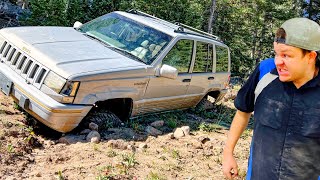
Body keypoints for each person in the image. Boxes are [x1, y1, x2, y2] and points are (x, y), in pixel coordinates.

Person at [222, 17, 320, 180]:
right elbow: (242, 112)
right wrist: (228, 152)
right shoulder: (264, 71)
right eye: (276, 53)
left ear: (310, 57)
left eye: (287, 55)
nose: (278, 61)